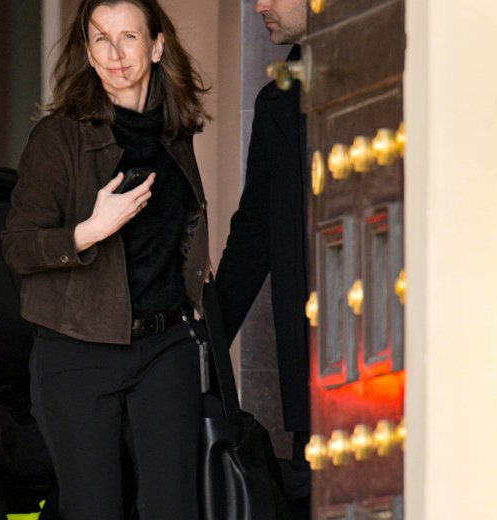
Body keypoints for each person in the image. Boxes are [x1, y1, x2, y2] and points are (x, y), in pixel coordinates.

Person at [0, 0, 211, 518]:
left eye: (129, 37)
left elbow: (180, 230)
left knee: (174, 507)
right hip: (77, 351)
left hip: (164, 347)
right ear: (88, 53)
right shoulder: (58, 137)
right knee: (93, 508)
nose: (116, 53)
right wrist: (90, 231)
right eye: (101, 39)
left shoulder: (174, 132)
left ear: (157, 47)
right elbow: (17, 245)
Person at [216, 0, 313, 506]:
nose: (260, 6)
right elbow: (253, 238)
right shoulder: (277, 101)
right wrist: (208, 344)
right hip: (309, 376)